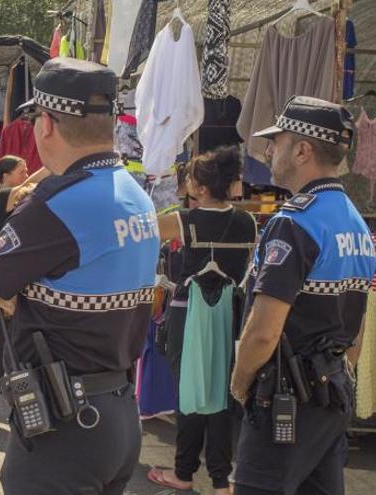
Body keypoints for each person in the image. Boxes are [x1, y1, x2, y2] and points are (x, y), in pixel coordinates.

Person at [0, 58, 159, 495]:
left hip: (64, 427)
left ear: (45, 124)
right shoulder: (134, 195)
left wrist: (8, 286)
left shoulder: (59, 206)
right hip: (116, 413)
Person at [229, 96, 376, 495]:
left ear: (303, 149)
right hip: (330, 393)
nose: (269, 150)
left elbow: (263, 332)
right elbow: (358, 330)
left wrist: (241, 384)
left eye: (275, 141)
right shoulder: (356, 221)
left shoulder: (295, 222)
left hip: (283, 399)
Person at [148, 147, 257, 495]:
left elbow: (143, 230)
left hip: (187, 311)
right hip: (232, 314)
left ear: (204, 187)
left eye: (192, 178)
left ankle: (183, 472)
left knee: (189, 393)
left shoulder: (185, 220)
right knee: (224, 395)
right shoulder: (248, 222)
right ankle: (222, 480)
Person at [0, 155, 43, 420]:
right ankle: (5, 405)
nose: (26, 173)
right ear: (5, 175)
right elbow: (28, 187)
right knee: (9, 347)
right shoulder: (3, 196)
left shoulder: (3, 197)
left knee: (5, 347)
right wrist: (50, 166)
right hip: (11, 282)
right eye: (21, 170)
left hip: (9, 279)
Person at [0, 156, 31, 239]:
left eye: (26, 172)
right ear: (6, 176)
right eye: (21, 172)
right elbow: (31, 183)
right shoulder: (1, 196)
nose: (26, 176)